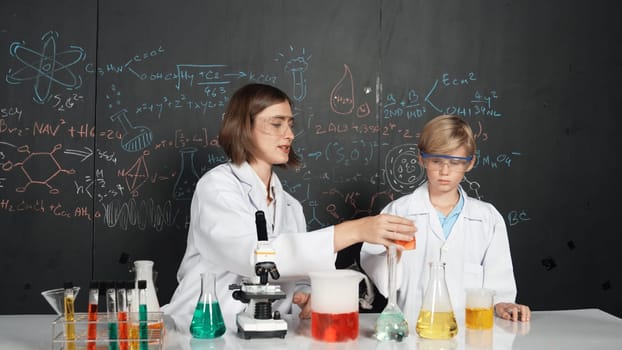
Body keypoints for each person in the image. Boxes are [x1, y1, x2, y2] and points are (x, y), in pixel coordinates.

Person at [162, 83, 416, 332]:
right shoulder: (217, 187)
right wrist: (355, 231)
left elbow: (298, 272)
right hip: (205, 330)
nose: (290, 135)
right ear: (243, 127)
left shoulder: (290, 206)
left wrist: (307, 294)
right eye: (276, 124)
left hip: (268, 332)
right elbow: (253, 257)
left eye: (290, 124)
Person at [361, 114, 530, 325]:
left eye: (455, 162)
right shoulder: (398, 212)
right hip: (411, 330)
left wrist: (503, 304)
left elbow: (500, 287)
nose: (445, 171)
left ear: (470, 163)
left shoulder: (487, 218)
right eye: (436, 161)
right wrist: (392, 255)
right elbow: (384, 283)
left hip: (470, 334)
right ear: (421, 159)